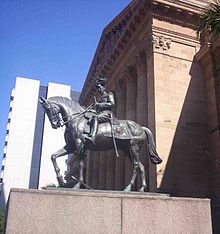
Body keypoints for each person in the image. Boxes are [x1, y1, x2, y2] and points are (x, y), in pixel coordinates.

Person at [85, 77, 115, 144]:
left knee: (95, 118)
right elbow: (97, 108)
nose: (98, 89)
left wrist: (99, 105)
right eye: (98, 88)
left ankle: (92, 136)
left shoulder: (109, 94)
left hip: (107, 114)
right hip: (100, 114)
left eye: (99, 87)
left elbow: (112, 104)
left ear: (103, 87)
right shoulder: (99, 98)